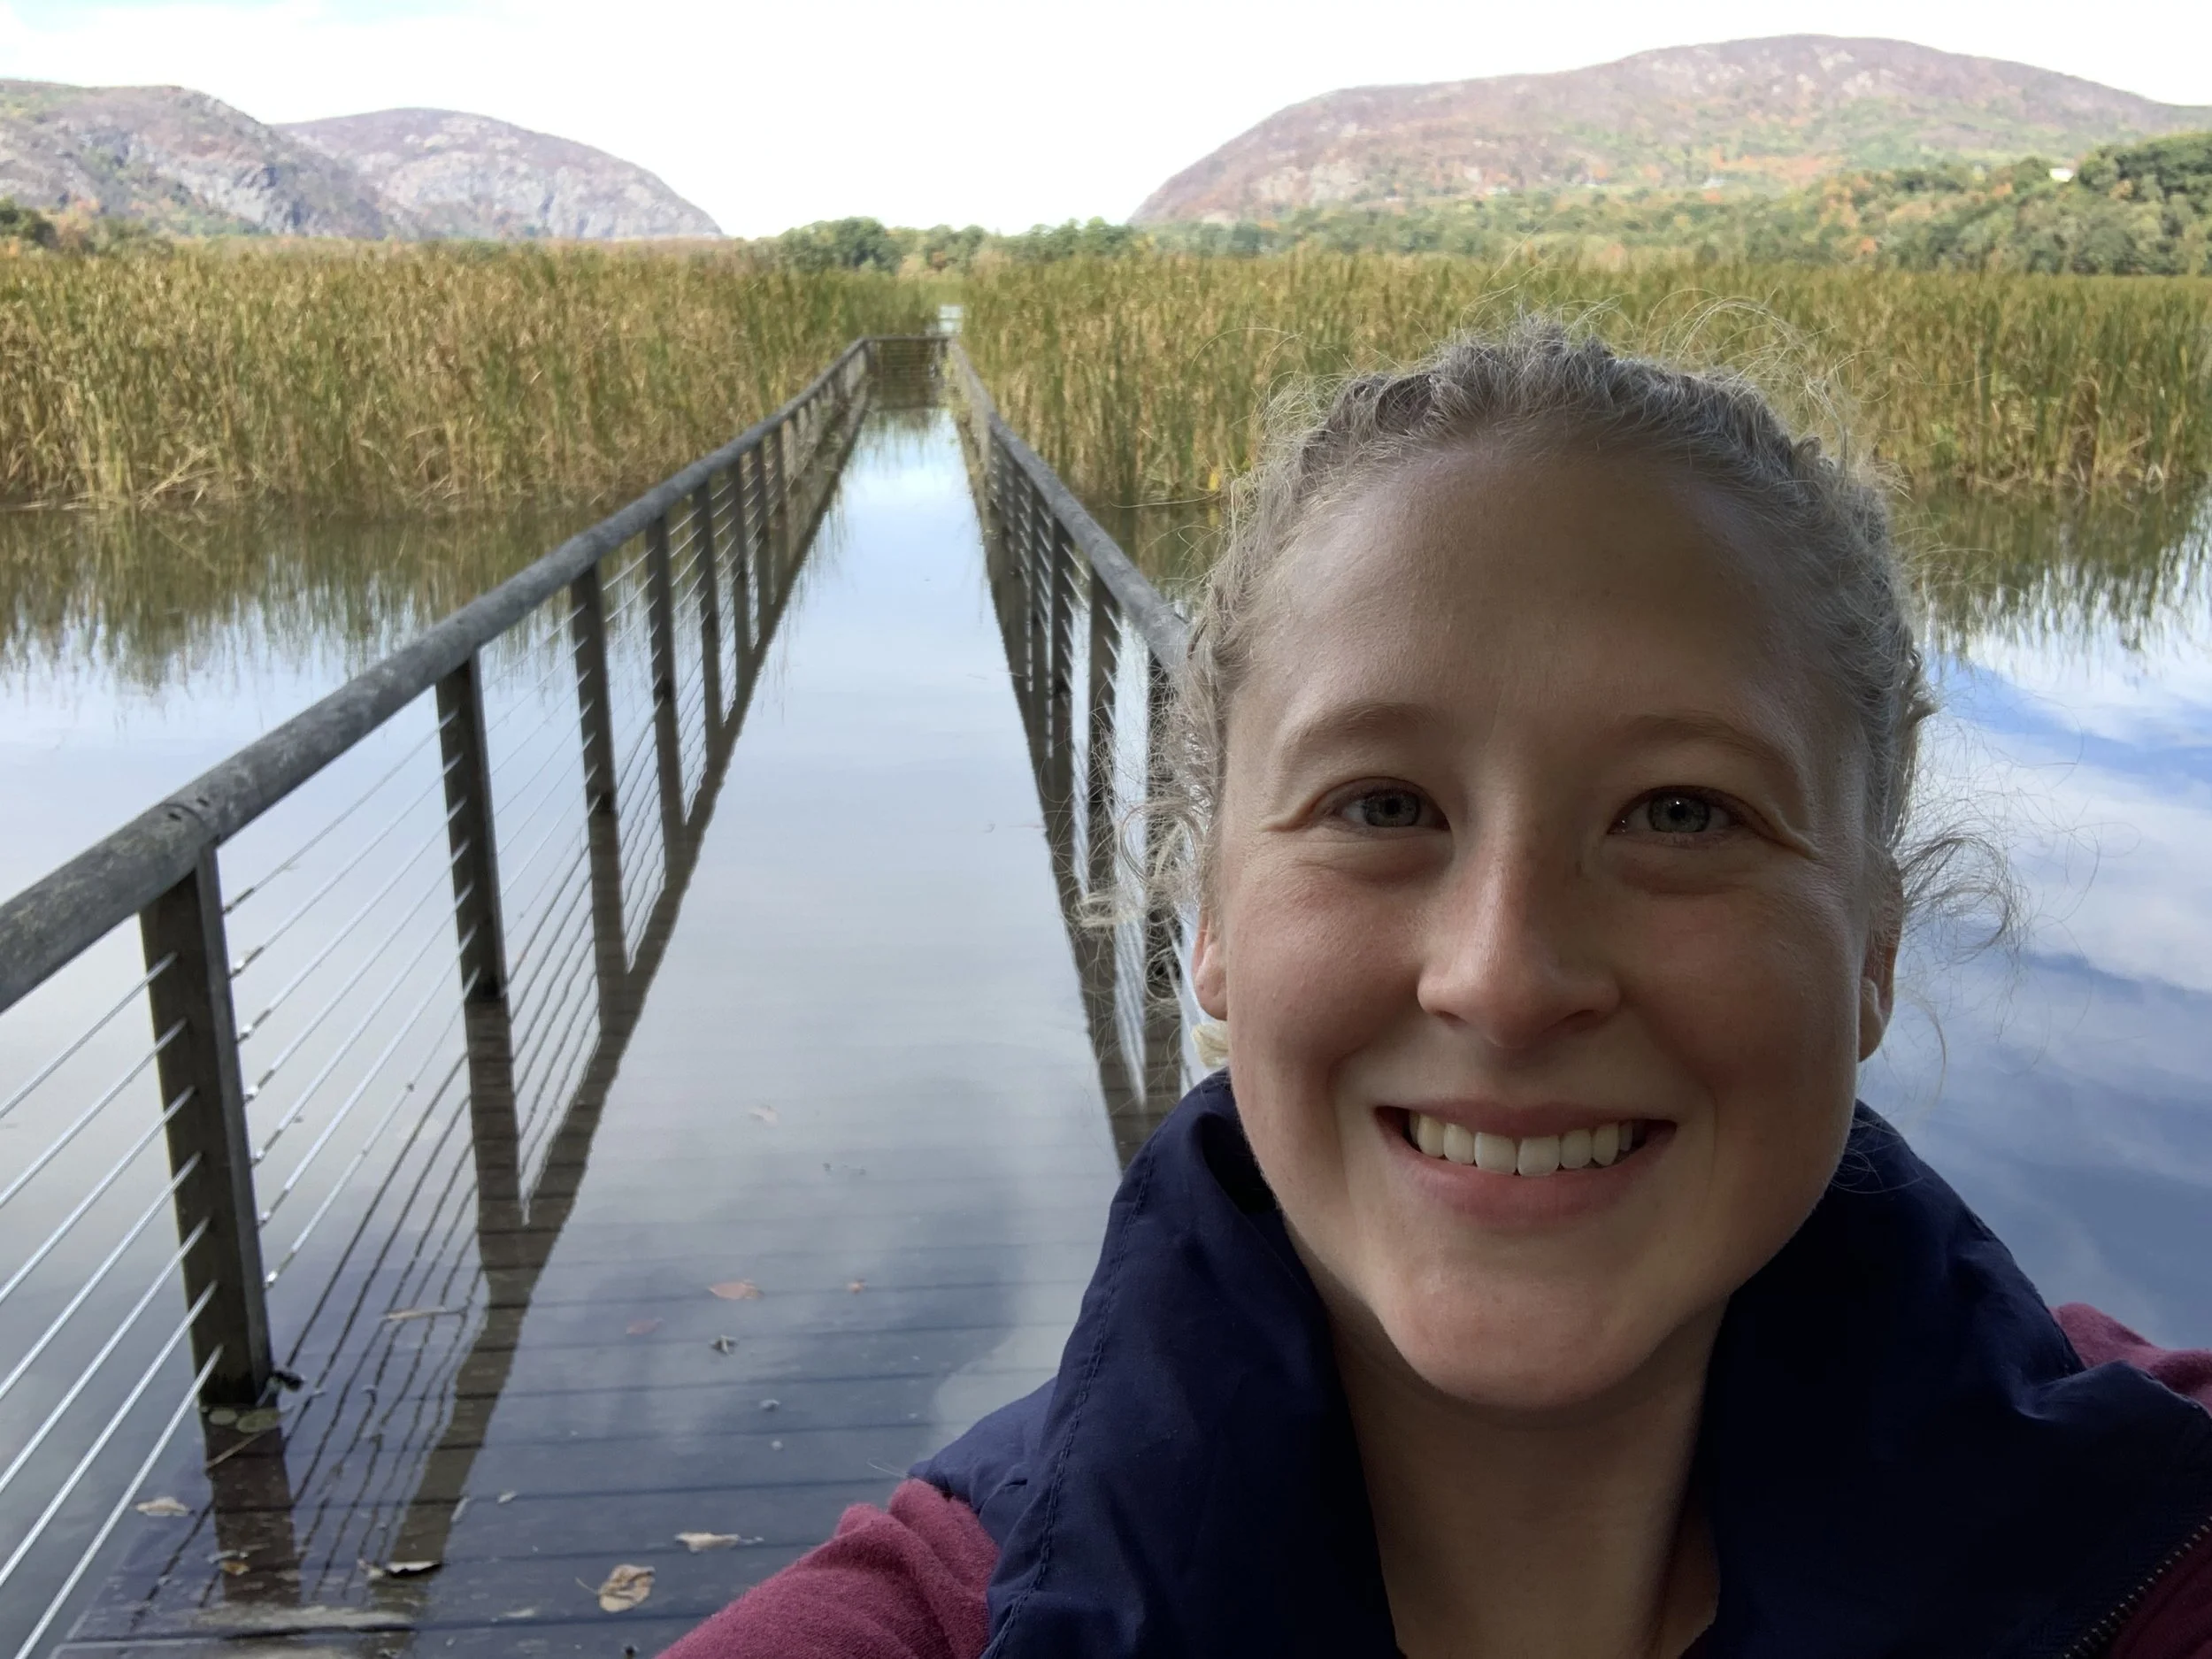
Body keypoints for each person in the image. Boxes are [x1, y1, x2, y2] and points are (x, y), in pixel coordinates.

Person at [664, 322, 2212, 1658]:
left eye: (1682, 813)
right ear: (1207, 912)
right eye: (1382, 807)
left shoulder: (2161, 1533)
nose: (1505, 976)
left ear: (1873, 943)